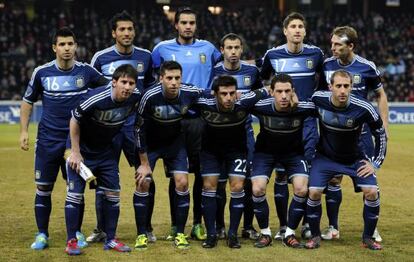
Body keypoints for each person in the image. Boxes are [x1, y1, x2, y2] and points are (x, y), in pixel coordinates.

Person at [19, 27, 108, 251]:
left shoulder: (86, 72)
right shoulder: (42, 72)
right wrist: (23, 131)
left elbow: (107, 91)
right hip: (48, 140)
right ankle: (42, 234)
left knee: (75, 189)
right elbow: (27, 101)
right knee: (43, 187)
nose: (67, 48)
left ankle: (76, 232)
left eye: (70, 44)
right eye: (62, 44)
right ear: (54, 48)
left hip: (76, 142)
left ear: (75, 46)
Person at [151, 7, 221, 241]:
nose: (188, 26)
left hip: (202, 120)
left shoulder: (209, 49)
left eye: (192, 22)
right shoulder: (161, 49)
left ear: (196, 25)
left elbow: (223, 73)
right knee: (177, 175)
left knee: (201, 174)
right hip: (174, 121)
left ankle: (198, 223)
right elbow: (153, 82)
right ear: (176, 25)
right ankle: (175, 224)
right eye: (184, 22)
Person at [89, 10, 157, 244]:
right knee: (103, 178)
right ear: (113, 33)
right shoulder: (100, 58)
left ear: (134, 31)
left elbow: (150, 90)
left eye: (130, 29)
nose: (126, 33)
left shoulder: (146, 57)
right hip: (106, 128)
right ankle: (101, 229)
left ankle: (146, 227)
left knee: (145, 175)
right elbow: (93, 92)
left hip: (133, 127)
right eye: (122, 29)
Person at [319, 26, 389, 242]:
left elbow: (381, 95)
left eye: (337, 44)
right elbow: (322, 95)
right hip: (333, 134)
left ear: (351, 46)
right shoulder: (326, 65)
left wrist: (384, 127)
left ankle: (371, 228)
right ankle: (332, 227)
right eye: (331, 43)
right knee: (333, 179)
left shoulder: (366, 67)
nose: (332, 48)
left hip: (362, 135)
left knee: (368, 181)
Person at [305, 70, 387, 250]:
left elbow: (380, 134)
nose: (342, 90)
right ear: (330, 87)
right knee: (314, 192)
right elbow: (304, 114)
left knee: (372, 191)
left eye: (346, 86)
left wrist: (375, 163)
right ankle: (316, 236)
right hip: (325, 157)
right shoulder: (318, 99)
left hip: (354, 158)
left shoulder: (363, 107)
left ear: (352, 87)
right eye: (338, 86)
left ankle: (368, 238)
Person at [259, 12, 324, 240]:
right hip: (281, 125)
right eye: (293, 26)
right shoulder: (272, 55)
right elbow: (263, 80)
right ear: (285, 31)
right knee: (280, 176)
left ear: (305, 31)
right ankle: (283, 225)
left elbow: (324, 84)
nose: (297, 30)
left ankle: (305, 223)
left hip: (307, 124)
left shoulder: (316, 54)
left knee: (304, 177)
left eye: (300, 26)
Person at [64, 64, 140, 255]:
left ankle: (111, 239)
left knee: (113, 195)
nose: (127, 87)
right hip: (83, 152)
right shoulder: (96, 98)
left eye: (131, 83)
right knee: (75, 196)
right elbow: (74, 119)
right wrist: (74, 151)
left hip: (106, 154)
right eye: (123, 82)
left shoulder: (135, 99)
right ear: (113, 82)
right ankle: (71, 241)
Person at [135, 61, 207, 250]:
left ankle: (180, 233)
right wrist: (143, 162)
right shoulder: (149, 96)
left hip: (175, 144)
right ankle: (142, 234)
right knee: (143, 182)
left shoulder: (189, 92)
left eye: (177, 78)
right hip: (151, 145)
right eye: (169, 78)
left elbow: (210, 93)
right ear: (161, 79)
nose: (174, 82)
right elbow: (138, 129)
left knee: (182, 182)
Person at [196, 75, 269, 249]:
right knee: (209, 188)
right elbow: (184, 95)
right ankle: (212, 234)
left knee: (237, 187)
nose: (228, 98)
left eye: (231, 93)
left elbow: (267, 89)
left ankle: (232, 235)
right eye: (223, 94)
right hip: (210, 152)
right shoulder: (204, 103)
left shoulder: (244, 103)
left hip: (237, 151)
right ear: (215, 94)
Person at [250, 74, 314, 248]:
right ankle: (265, 233)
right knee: (257, 188)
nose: (284, 96)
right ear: (272, 92)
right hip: (265, 154)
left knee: (301, 188)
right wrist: (260, 92)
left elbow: (325, 105)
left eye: (287, 91)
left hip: (293, 154)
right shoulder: (262, 106)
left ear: (293, 91)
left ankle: (290, 233)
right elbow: (240, 102)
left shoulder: (303, 107)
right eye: (279, 91)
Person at [212, 33, 262, 240]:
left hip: (245, 133)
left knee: (248, 181)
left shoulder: (252, 71)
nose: (233, 52)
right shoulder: (213, 71)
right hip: (218, 133)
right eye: (229, 48)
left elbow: (261, 97)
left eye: (237, 47)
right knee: (220, 183)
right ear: (222, 50)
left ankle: (248, 226)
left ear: (242, 50)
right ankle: (220, 226)